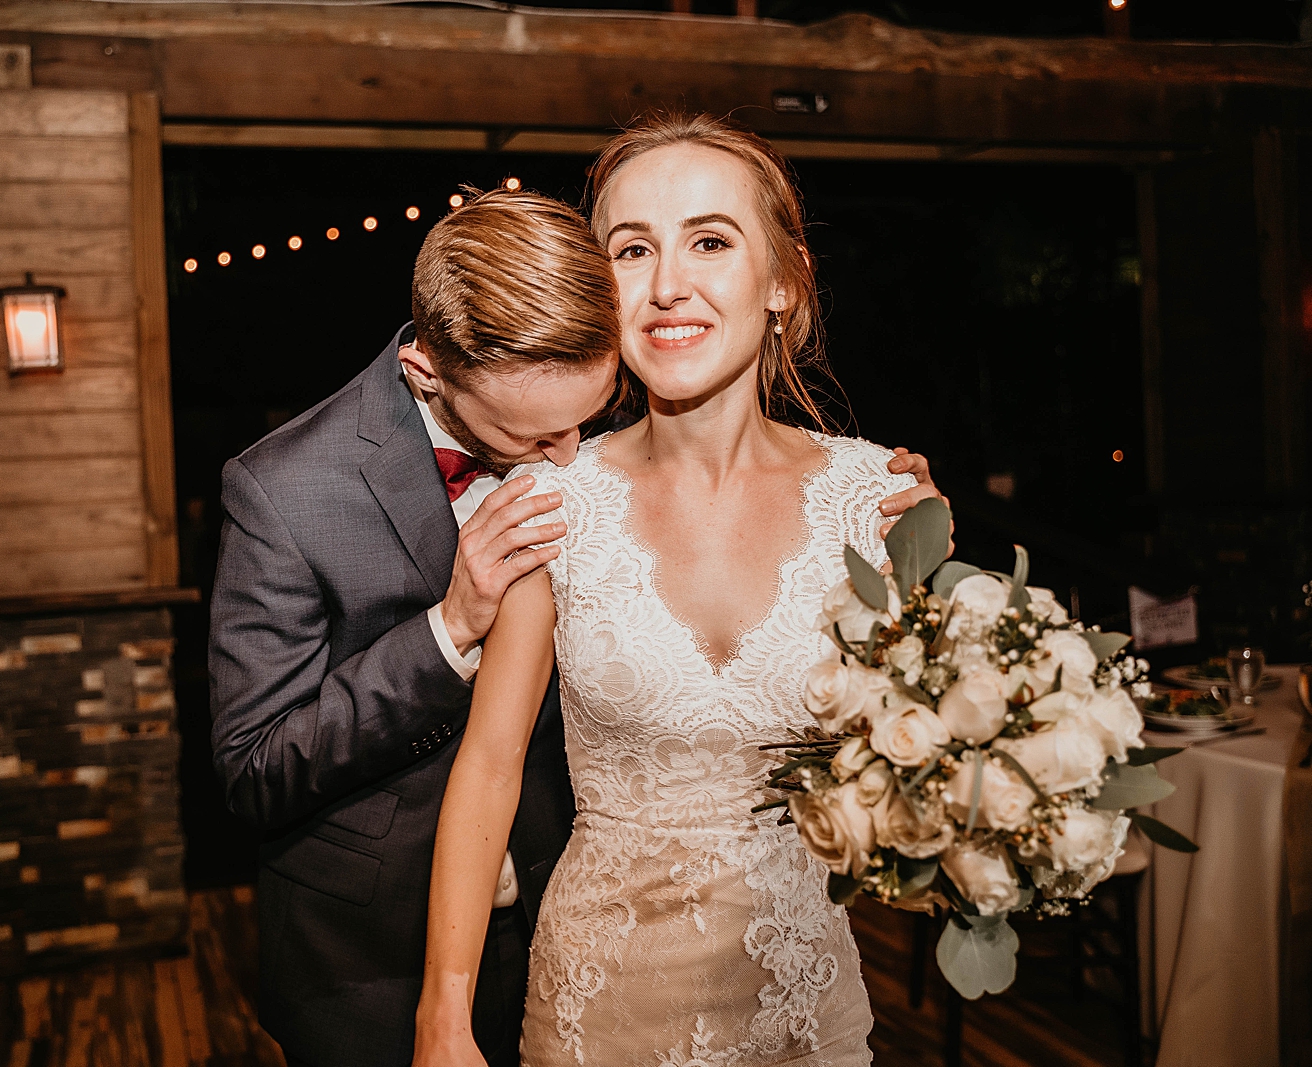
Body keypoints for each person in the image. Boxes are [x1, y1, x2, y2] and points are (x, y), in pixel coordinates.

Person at [211, 187, 944, 1067]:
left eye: (585, 421)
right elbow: (255, 768)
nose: (566, 457)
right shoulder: (285, 488)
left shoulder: (604, 437)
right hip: (371, 958)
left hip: (579, 916)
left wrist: (898, 535)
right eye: (534, 435)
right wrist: (449, 628)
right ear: (427, 374)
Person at [413, 115, 925, 1067]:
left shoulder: (879, 501)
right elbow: (489, 765)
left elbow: (918, 771)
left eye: (710, 241)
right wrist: (443, 1020)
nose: (667, 285)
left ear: (782, 281)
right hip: (596, 1012)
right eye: (632, 249)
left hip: (805, 1013)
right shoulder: (554, 501)